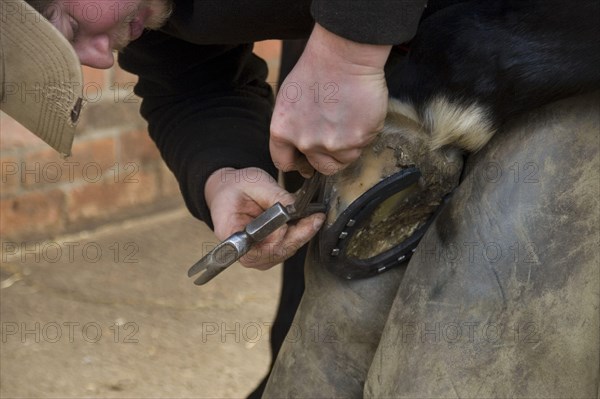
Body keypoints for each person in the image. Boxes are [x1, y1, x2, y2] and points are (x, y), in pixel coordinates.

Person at [2, 0, 599, 396]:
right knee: (328, 336)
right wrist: (226, 172)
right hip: (405, 47)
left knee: (486, 342)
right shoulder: (143, 7)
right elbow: (188, 80)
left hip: (555, 42)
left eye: (76, 28)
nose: (101, 59)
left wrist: (348, 44)